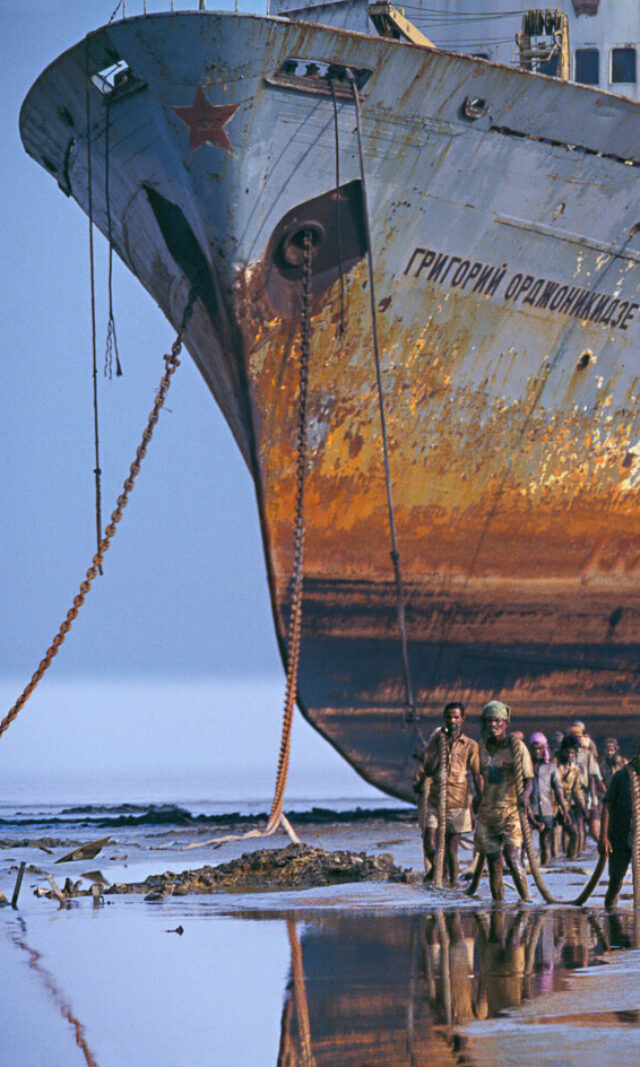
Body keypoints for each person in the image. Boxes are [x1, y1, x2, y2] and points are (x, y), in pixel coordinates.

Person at [413, 702, 482, 885]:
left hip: (458, 802)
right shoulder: (437, 741)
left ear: (462, 719)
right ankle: (438, 869)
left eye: (456, 717)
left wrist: (479, 805)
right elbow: (428, 769)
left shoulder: (471, 745)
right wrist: (440, 745)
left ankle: (453, 884)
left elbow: (476, 775)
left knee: (452, 850)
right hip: (436, 800)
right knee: (429, 841)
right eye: (449, 717)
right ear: (444, 719)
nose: (452, 720)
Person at [474, 700, 533, 901]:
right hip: (488, 813)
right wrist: (478, 798)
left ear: (506, 722)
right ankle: (498, 905)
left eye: (497, 720)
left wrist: (525, 796)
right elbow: (477, 775)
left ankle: (526, 899)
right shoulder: (480, 748)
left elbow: (529, 779)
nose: (493, 725)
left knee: (511, 855)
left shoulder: (517, 747)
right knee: (493, 862)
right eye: (489, 721)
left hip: (510, 810)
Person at [599, 745, 640, 908]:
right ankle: (610, 919)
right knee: (615, 883)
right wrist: (604, 837)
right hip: (620, 838)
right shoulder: (621, 777)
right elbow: (607, 807)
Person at [528, 732, 569, 864]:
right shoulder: (525, 767)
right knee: (526, 843)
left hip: (546, 810)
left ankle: (544, 870)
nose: (536, 751)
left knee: (545, 843)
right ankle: (528, 868)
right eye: (534, 748)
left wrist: (564, 809)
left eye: (539, 748)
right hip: (529, 809)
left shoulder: (551, 768)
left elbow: (558, 789)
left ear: (544, 749)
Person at [554, 734, 587, 859]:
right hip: (550, 806)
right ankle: (550, 866)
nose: (570, 755)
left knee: (575, 833)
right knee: (553, 841)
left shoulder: (575, 769)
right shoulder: (552, 764)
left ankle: (570, 862)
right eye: (567, 752)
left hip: (566, 806)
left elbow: (576, 790)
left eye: (573, 753)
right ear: (562, 750)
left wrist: (583, 806)